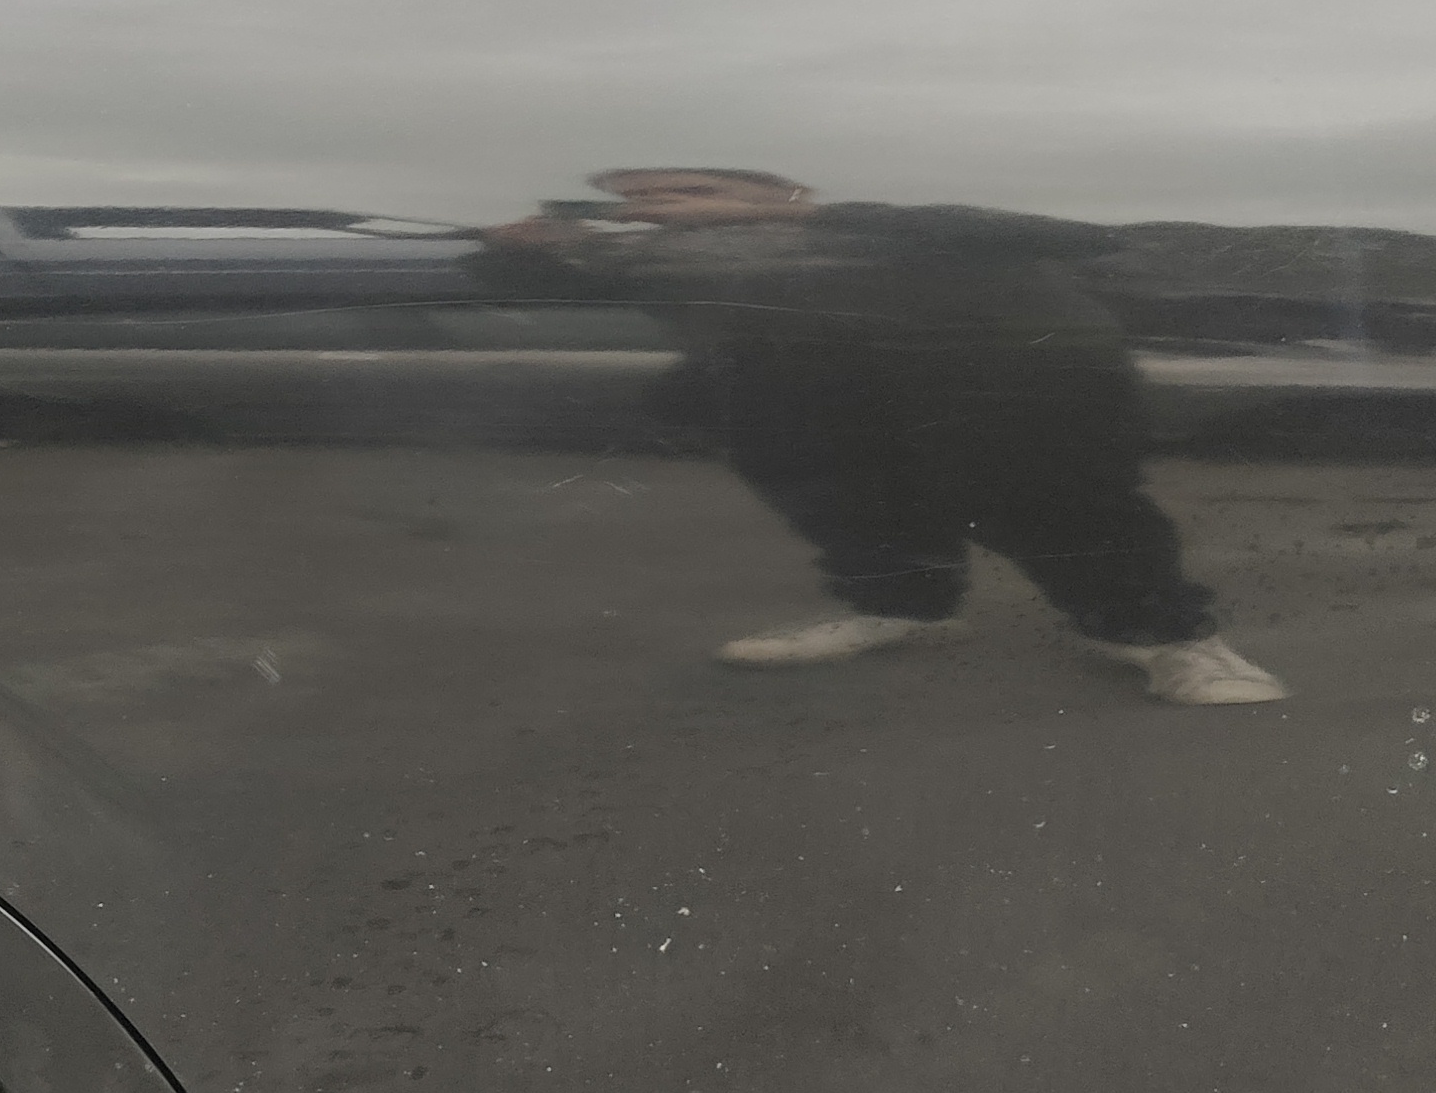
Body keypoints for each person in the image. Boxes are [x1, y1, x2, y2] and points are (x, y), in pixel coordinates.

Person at [480, 168, 1285, 705]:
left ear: (784, 190)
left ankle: (1171, 641)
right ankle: (900, 607)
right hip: (815, 397)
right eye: (643, 196)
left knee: (1053, 508)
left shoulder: (886, 228)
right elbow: (523, 293)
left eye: (695, 188)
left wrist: (776, 216)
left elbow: (1077, 237)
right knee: (840, 501)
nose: (667, 205)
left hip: (1016, 383)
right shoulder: (647, 258)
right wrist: (513, 252)